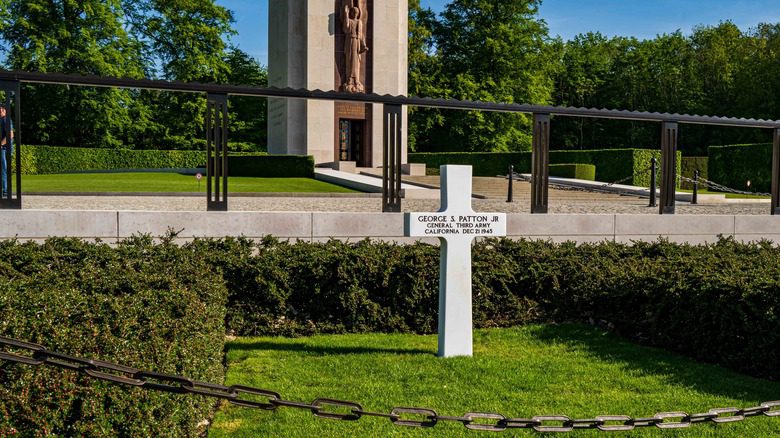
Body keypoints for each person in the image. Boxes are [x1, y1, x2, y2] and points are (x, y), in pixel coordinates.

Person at [342, 1, 368, 93]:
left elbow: (361, 35)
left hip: (356, 42)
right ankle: (349, 79)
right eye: (352, 12)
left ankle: (356, 80)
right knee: (349, 59)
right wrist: (345, 14)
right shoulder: (349, 21)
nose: (354, 14)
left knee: (355, 61)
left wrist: (363, 45)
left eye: (355, 13)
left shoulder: (359, 22)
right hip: (349, 41)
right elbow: (346, 28)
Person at [0, 105, 13, 198]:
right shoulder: (2, 120)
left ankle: (5, 191)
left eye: (1, 109)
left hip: (4, 149)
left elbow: (10, 135)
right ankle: (4, 190)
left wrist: (1, 144)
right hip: (3, 148)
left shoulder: (5, 120)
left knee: (3, 169)